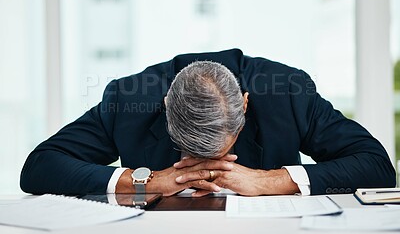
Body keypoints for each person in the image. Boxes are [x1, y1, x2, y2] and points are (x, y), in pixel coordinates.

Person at [20, 49, 395, 197]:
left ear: (245, 107)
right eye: (191, 153)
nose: (204, 167)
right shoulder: (129, 98)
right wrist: (140, 181)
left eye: (217, 153)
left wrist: (272, 180)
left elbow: (377, 165)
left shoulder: (288, 93)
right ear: (166, 106)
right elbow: (39, 166)